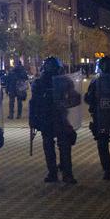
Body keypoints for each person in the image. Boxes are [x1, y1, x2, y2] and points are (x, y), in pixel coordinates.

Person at [29, 56, 78, 184]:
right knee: (61, 146)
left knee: (55, 146)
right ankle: (64, 174)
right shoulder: (42, 83)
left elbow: (74, 98)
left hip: (55, 118)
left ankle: (56, 173)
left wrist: (33, 119)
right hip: (53, 118)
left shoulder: (43, 82)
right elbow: (34, 103)